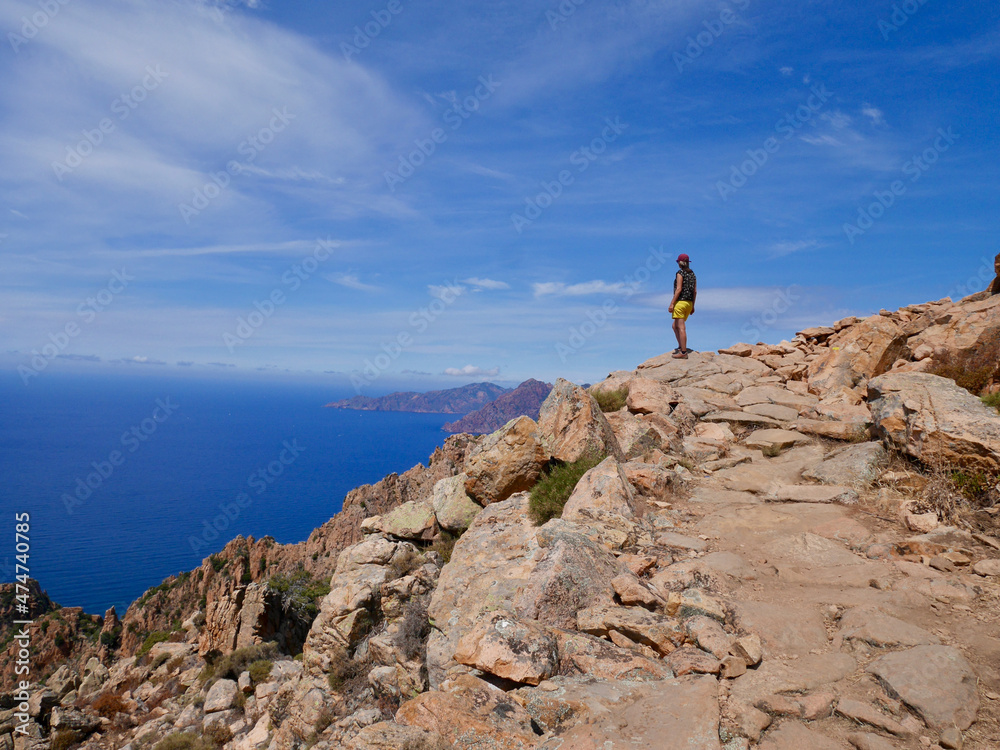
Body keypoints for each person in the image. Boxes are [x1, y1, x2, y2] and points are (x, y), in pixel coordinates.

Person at [668, 253, 697, 359]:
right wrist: (693, 305)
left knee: (681, 327)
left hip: (680, 302)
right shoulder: (693, 274)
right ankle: (681, 346)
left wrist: (672, 303)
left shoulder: (680, 273)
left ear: (679, 263)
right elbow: (695, 291)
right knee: (674, 326)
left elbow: (679, 289)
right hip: (689, 303)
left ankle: (683, 352)